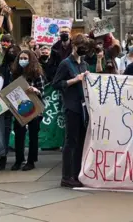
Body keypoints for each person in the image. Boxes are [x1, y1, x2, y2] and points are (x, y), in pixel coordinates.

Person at [52, 34, 90, 188]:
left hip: (83, 107)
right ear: (74, 46)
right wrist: (75, 80)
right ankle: (66, 176)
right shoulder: (66, 64)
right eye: (80, 47)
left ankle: (77, 173)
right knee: (71, 141)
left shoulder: (84, 64)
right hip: (72, 106)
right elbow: (56, 83)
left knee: (81, 141)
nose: (82, 51)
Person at [10, 50, 46, 171]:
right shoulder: (15, 74)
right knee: (19, 135)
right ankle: (18, 160)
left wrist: (35, 90)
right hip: (19, 108)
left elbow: (42, 92)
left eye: (25, 58)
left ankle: (31, 161)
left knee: (33, 136)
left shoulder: (36, 74)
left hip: (34, 109)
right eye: (21, 58)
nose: (23, 60)